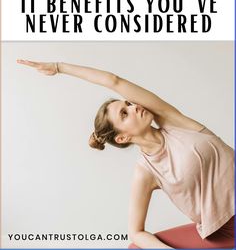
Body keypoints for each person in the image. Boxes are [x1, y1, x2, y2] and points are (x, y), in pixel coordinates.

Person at [17, 59, 235, 249]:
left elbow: (114, 81)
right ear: (122, 138)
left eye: (128, 104)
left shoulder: (174, 122)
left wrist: (58, 67)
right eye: (124, 113)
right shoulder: (146, 171)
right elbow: (136, 233)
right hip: (225, 230)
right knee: (135, 248)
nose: (134, 107)